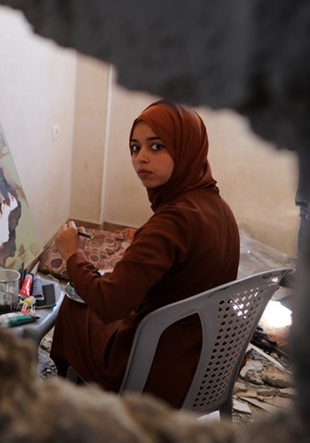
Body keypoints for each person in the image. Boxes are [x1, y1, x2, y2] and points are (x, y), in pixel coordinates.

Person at [49, 100, 240, 408]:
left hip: (162, 370)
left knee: (75, 305)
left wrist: (73, 255)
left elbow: (110, 304)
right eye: (135, 148)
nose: (141, 159)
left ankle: (73, 404)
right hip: (210, 358)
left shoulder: (171, 222)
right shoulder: (218, 207)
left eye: (157, 146)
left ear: (187, 147)